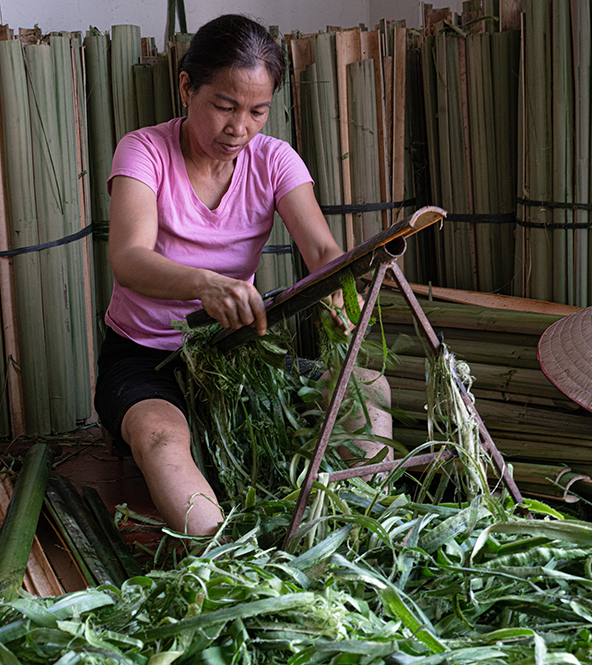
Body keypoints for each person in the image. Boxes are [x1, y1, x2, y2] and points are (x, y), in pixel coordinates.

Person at [94, 14, 391, 536]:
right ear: (187, 87)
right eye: (224, 107)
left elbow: (321, 247)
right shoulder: (144, 151)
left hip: (237, 356)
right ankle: (229, 562)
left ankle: (356, 528)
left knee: (368, 389)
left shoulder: (274, 160)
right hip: (147, 359)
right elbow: (129, 257)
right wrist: (204, 283)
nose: (239, 129)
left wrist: (341, 288)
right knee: (161, 436)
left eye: (257, 111)